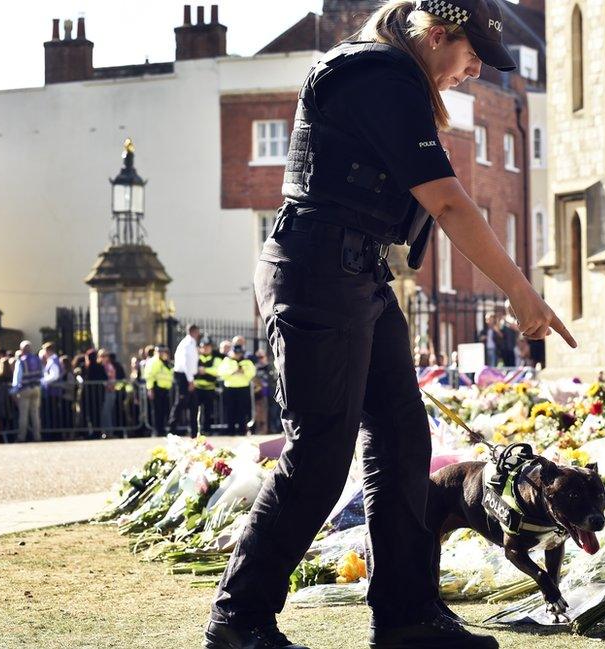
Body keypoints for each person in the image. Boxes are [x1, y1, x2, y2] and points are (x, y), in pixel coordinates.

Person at [205, 2, 576, 648]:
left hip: (357, 272)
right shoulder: (379, 75)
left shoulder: (396, 76)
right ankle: (239, 618)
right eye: (470, 58)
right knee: (320, 452)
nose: (473, 73)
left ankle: (405, 616)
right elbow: (450, 201)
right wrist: (522, 294)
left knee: (404, 440)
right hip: (320, 271)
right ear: (437, 36)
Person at [168, 324, 201, 435]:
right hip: (185, 377)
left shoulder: (190, 343)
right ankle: (172, 427)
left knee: (193, 404)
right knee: (181, 402)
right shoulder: (188, 344)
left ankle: (194, 431)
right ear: (194, 332)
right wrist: (190, 380)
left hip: (187, 376)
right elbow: (186, 363)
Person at [218, 344, 256, 435]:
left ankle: (242, 430)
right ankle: (230, 430)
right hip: (230, 388)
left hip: (243, 388)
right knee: (230, 410)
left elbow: (252, 373)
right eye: (236, 353)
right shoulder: (227, 361)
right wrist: (233, 372)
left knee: (242, 410)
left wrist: (244, 372)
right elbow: (221, 373)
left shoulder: (247, 362)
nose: (237, 355)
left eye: (239, 353)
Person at [12, 340, 43, 442]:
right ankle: (37, 436)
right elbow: (42, 375)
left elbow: (17, 378)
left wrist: (14, 391)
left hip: (25, 389)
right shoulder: (37, 359)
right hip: (36, 388)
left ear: (21, 350)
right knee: (35, 414)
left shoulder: (21, 361)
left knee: (23, 415)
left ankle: (22, 437)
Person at [144, 345, 173, 437]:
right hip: (156, 388)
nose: (162, 353)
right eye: (160, 351)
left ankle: (162, 429)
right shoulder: (153, 361)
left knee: (164, 410)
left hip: (165, 389)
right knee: (157, 411)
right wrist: (150, 389)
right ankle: (157, 430)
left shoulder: (165, 362)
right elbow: (149, 376)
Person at [194, 339, 222, 436]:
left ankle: (207, 430)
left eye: (207, 346)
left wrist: (205, 370)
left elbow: (218, 370)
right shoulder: (195, 358)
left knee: (208, 411)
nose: (205, 348)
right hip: (197, 388)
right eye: (203, 346)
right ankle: (195, 430)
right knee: (195, 411)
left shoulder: (216, 359)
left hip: (210, 388)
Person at [40, 342, 62, 429]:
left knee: (52, 413)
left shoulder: (53, 360)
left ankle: (53, 432)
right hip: (53, 391)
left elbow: (54, 375)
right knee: (53, 413)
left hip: (53, 391)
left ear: (48, 350)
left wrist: (43, 381)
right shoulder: (53, 360)